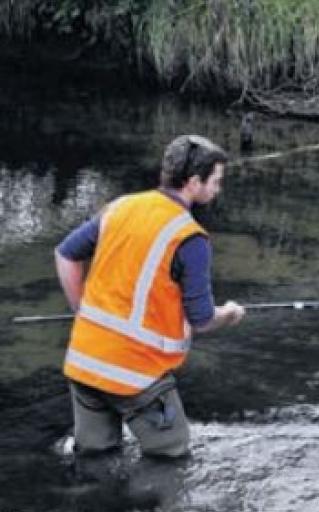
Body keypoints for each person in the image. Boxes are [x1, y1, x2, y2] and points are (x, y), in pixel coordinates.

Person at [55, 134, 245, 458]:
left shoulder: (120, 207)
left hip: (85, 362)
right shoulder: (191, 238)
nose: (217, 189)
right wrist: (229, 314)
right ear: (194, 182)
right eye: (216, 181)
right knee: (172, 458)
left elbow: (66, 255)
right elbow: (201, 320)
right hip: (137, 376)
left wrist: (82, 310)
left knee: (94, 460)